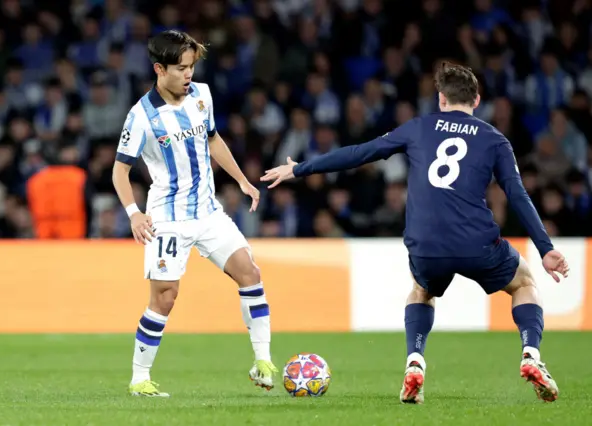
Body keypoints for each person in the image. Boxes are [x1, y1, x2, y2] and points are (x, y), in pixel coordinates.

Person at [261, 62, 569, 404]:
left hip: (426, 243)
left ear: (440, 99)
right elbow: (517, 194)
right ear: (477, 100)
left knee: (422, 290)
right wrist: (545, 249)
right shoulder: (495, 139)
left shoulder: (418, 127)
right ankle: (530, 355)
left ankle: (414, 363)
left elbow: (360, 153)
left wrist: (300, 168)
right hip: (476, 241)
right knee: (524, 282)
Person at [112, 30, 276, 397]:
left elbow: (213, 140)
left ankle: (263, 362)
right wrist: (134, 214)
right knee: (165, 298)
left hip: (208, 212)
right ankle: (140, 379)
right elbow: (119, 170)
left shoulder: (202, 95)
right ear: (159, 69)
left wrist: (242, 181)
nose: (189, 75)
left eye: (191, 67)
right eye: (181, 68)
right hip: (167, 217)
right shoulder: (142, 116)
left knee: (249, 272)